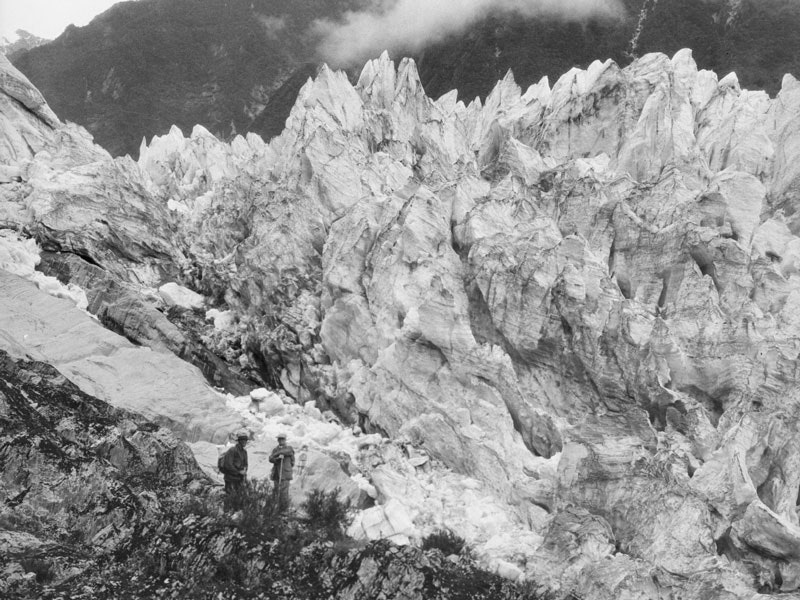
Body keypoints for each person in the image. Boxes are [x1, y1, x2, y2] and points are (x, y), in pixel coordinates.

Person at [269, 433, 295, 509]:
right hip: (277, 473)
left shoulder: (289, 448)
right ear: (277, 440)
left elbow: (292, 461)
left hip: (285, 473)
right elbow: (270, 459)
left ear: (285, 440)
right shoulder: (275, 449)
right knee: (276, 490)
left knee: (284, 492)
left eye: (282, 439)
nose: (281, 440)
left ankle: (284, 509)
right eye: (279, 439)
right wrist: (277, 459)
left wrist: (278, 453)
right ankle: (276, 507)